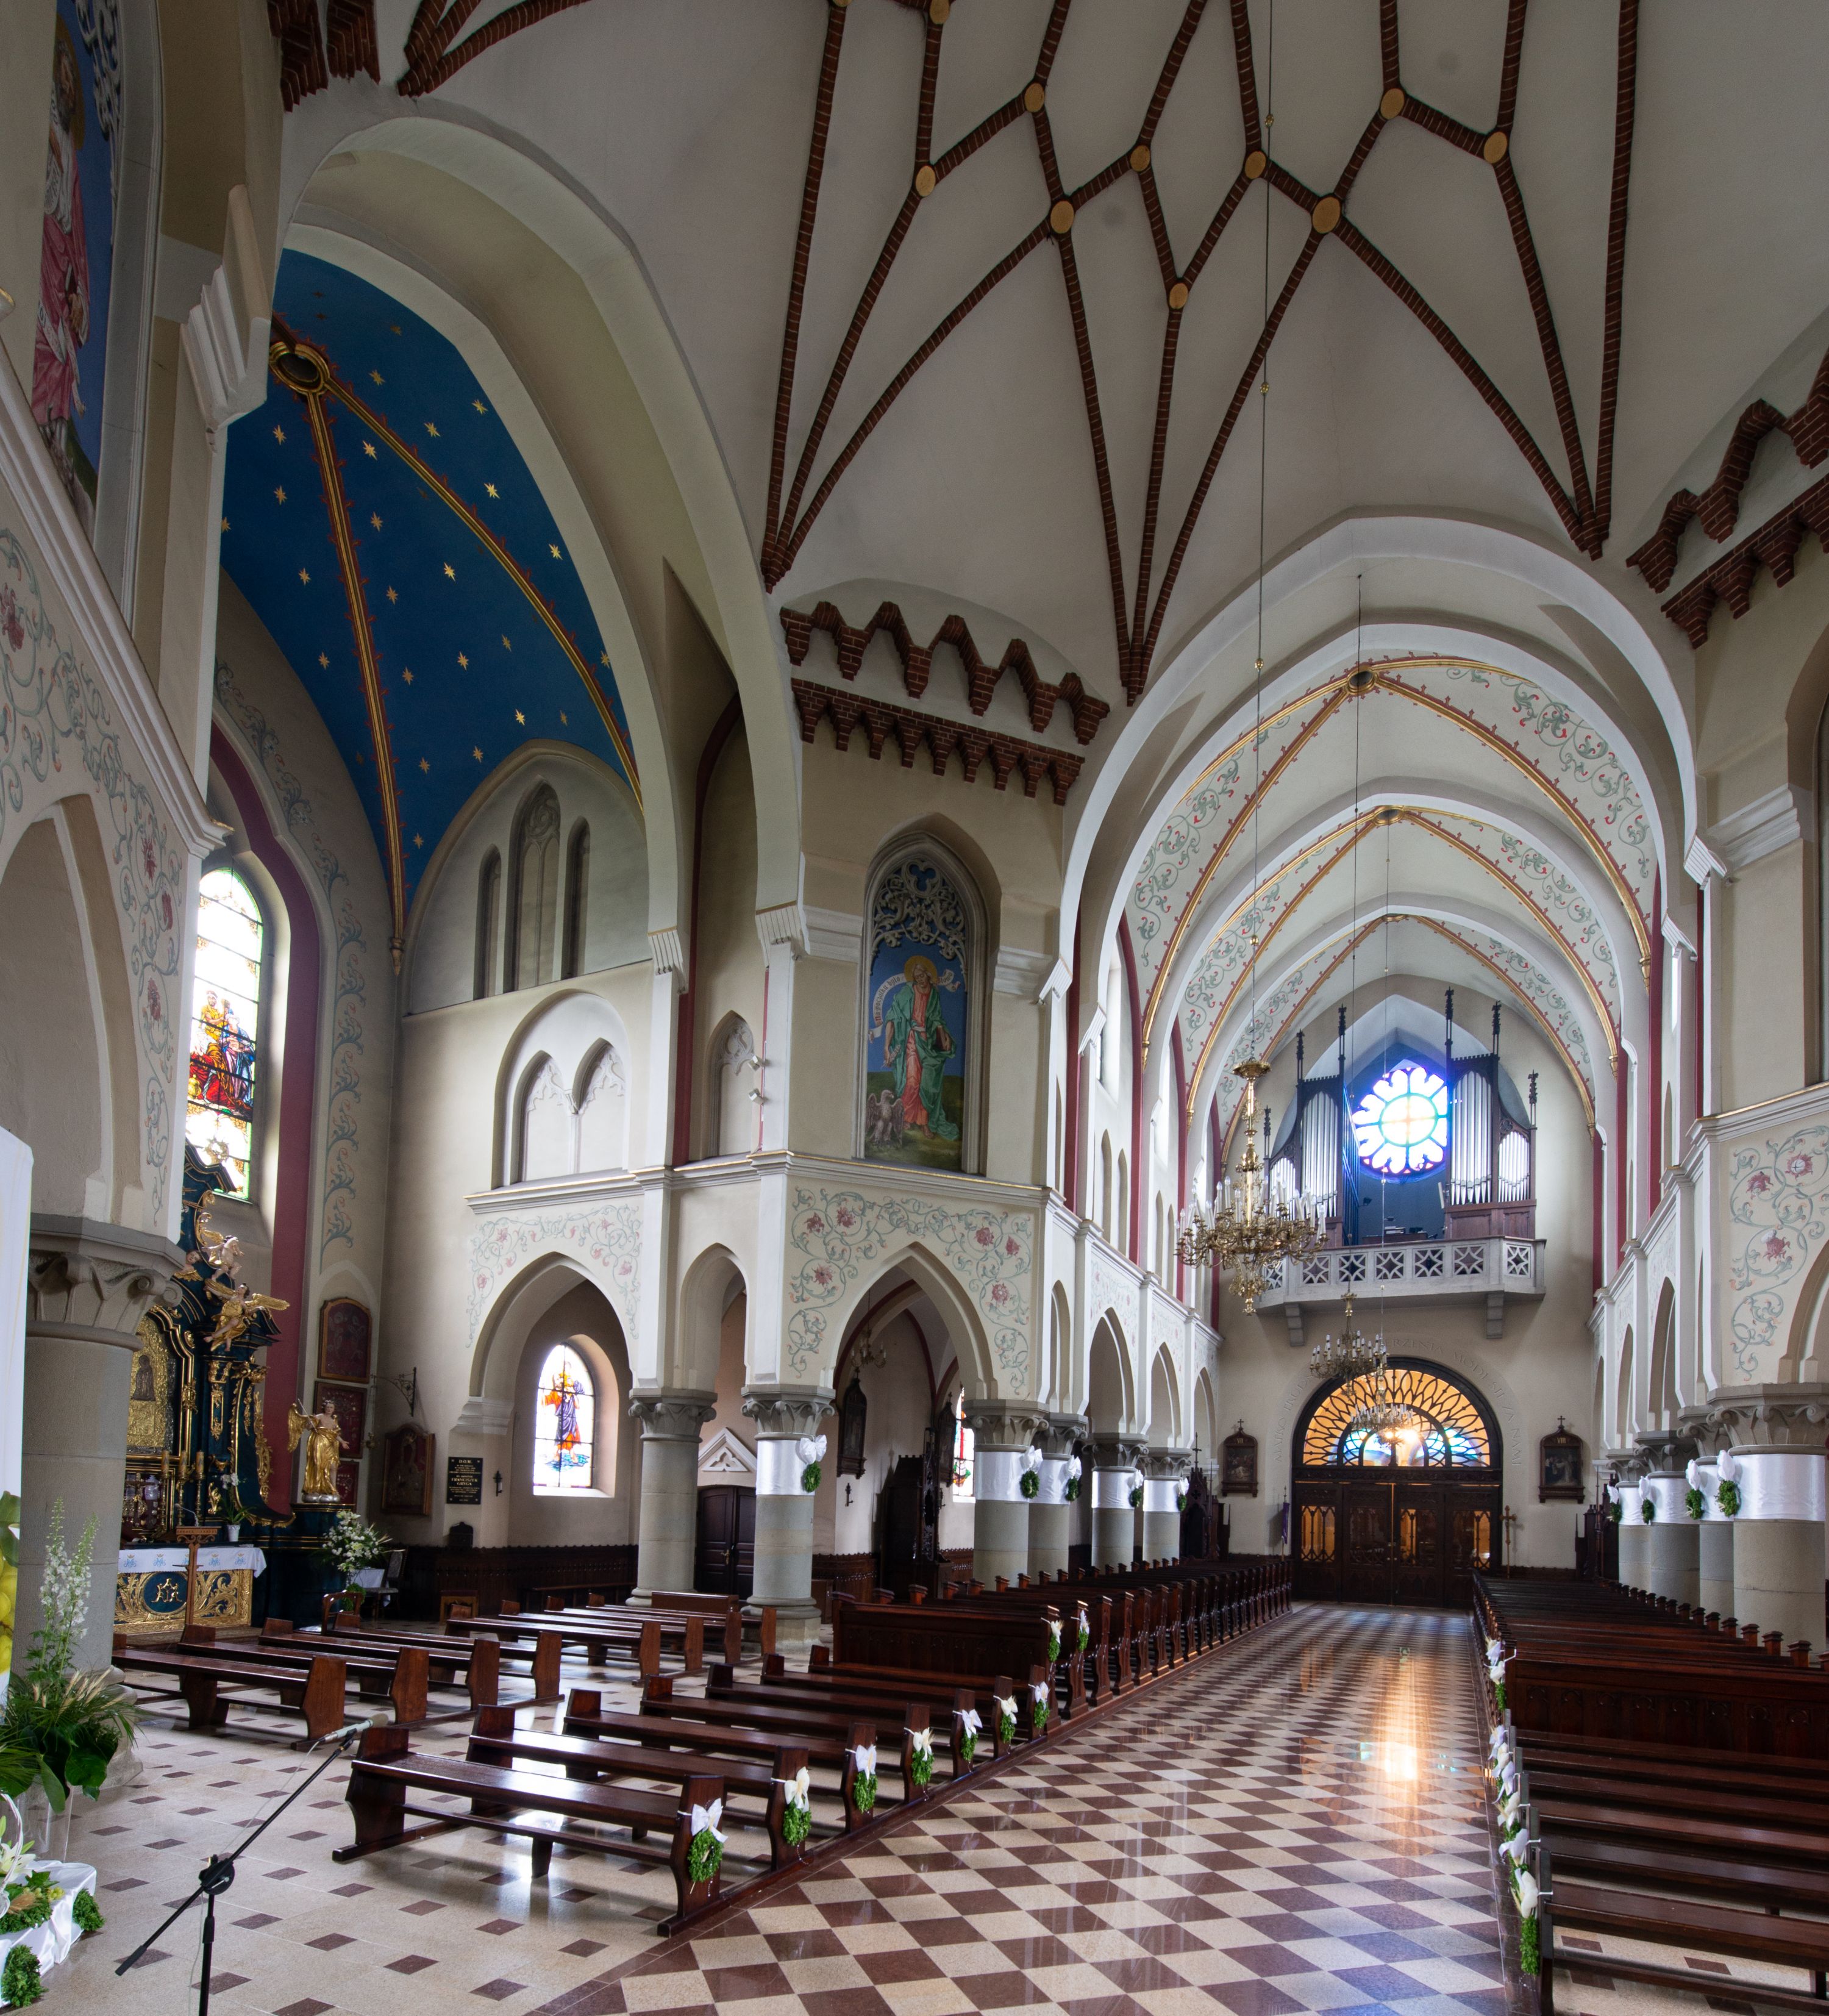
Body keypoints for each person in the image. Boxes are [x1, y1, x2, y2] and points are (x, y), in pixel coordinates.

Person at [32, 20, 93, 520]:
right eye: (65, 73)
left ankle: (52, 436)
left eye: (74, 77)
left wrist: (81, 299)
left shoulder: (71, 154)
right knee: (41, 345)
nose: (69, 83)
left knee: (60, 358)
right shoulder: (44, 126)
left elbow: (77, 235)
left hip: (60, 268)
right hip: (40, 254)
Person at [883, 955, 958, 1140]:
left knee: (927, 1084)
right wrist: (886, 1046)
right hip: (911, 1041)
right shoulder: (907, 993)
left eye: (922, 976)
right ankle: (906, 1117)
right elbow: (892, 1017)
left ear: (928, 975)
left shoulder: (934, 995)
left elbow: (937, 1019)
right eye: (916, 978)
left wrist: (943, 1035)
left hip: (929, 1045)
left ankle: (925, 1123)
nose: (920, 980)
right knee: (912, 1080)